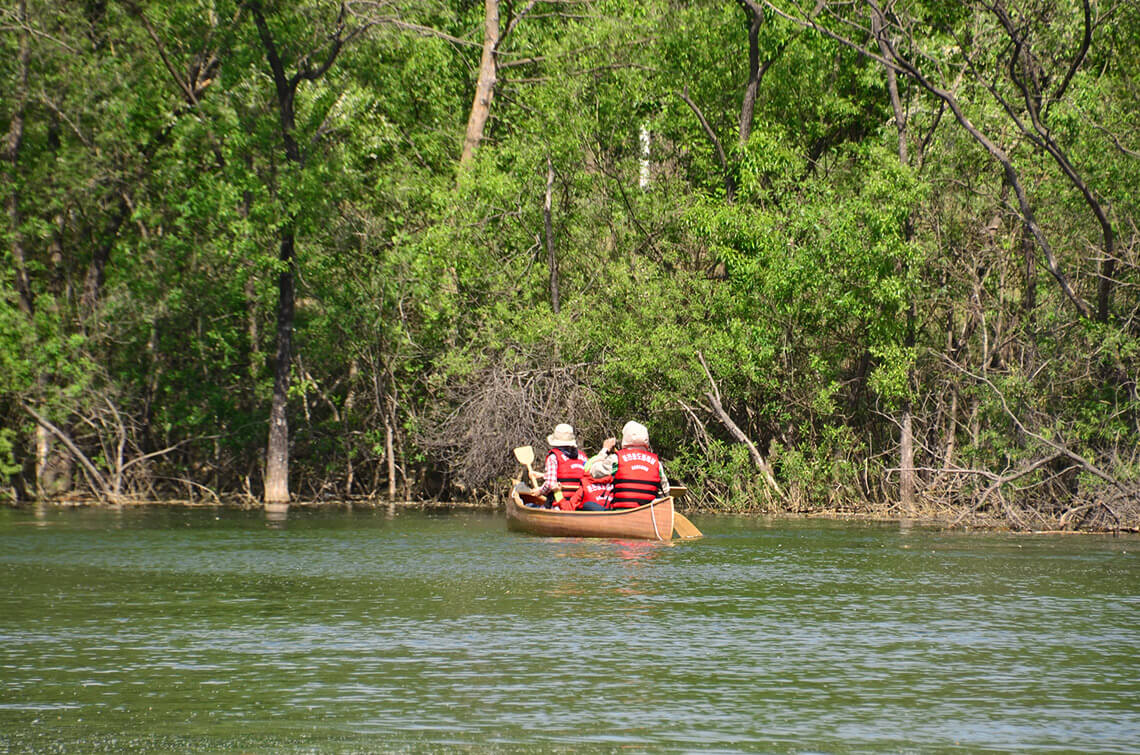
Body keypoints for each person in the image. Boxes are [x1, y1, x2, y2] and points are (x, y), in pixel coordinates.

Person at [589, 421, 669, 508]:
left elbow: (593, 472)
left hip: (622, 514)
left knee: (588, 505)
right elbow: (665, 492)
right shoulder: (657, 463)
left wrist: (605, 450)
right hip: (649, 514)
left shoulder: (616, 459)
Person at [535, 423, 587, 506]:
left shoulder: (553, 457)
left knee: (531, 506)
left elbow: (550, 484)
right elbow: (573, 474)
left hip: (560, 503)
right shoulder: (583, 457)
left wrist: (539, 491)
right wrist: (543, 475)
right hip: (579, 503)